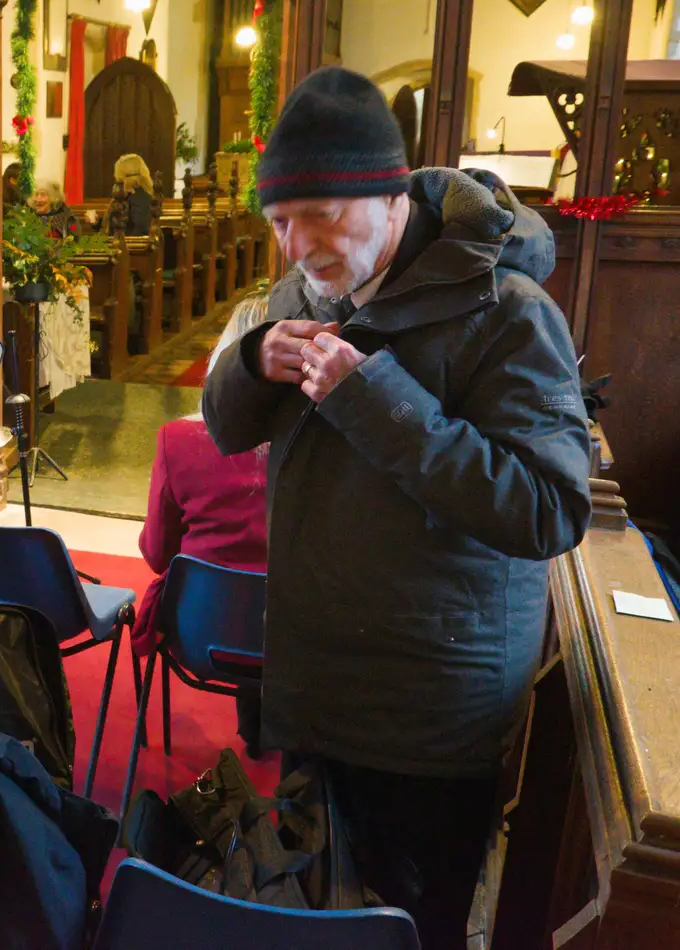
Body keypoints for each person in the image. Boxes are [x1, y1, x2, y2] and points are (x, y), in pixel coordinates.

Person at [201, 66, 592, 950]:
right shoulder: (308, 291)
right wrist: (254, 355)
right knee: (308, 915)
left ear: (388, 195)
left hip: (426, 717)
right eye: (278, 223)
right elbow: (226, 430)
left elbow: (548, 508)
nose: (296, 246)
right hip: (315, 691)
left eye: (320, 216)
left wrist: (373, 397)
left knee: (405, 931)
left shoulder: (507, 310)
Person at [136, 292, 269, 756]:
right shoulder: (323, 449)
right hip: (295, 644)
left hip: (200, 633)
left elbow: (157, 554)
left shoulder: (179, 440)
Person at [109, 154, 158, 237]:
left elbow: (141, 229)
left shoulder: (140, 196)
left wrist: (123, 243)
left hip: (131, 246)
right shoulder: (127, 195)